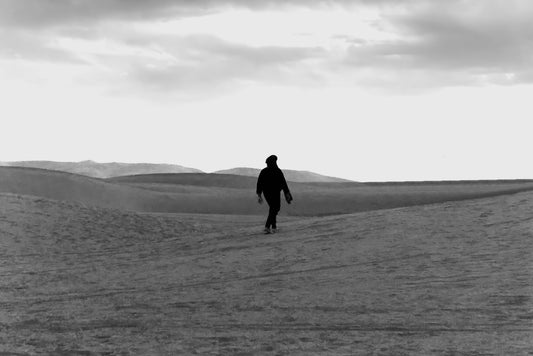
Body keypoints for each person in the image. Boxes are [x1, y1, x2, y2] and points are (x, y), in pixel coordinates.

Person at [256, 155, 293, 234]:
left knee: (273, 208)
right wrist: (287, 193)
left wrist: (259, 195)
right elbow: (283, 183)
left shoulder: (264, 171)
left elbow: (259, 183)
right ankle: (268, 226)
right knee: (275, 208)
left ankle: (273, 227)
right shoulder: (277, 171)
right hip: (275, 193)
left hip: (267, 193)